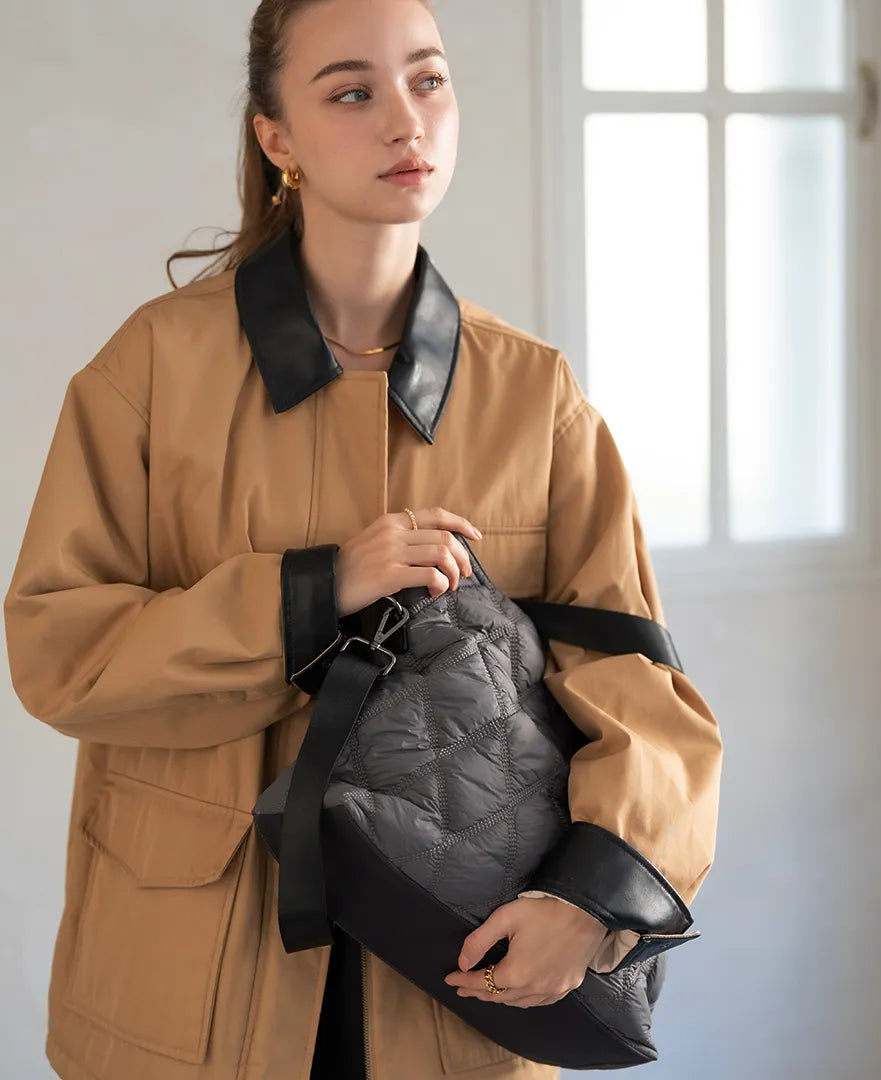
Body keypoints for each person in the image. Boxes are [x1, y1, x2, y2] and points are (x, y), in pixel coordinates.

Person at [3, 0, 724, 1077]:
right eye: (352, 91)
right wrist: (311, 592)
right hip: (187, 985)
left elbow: (637, 684)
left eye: (428, 80)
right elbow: (61, 653)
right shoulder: (149, 371)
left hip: (456, 977)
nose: (405, 120)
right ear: (276, 138)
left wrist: (592, 895)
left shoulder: (535, 397)